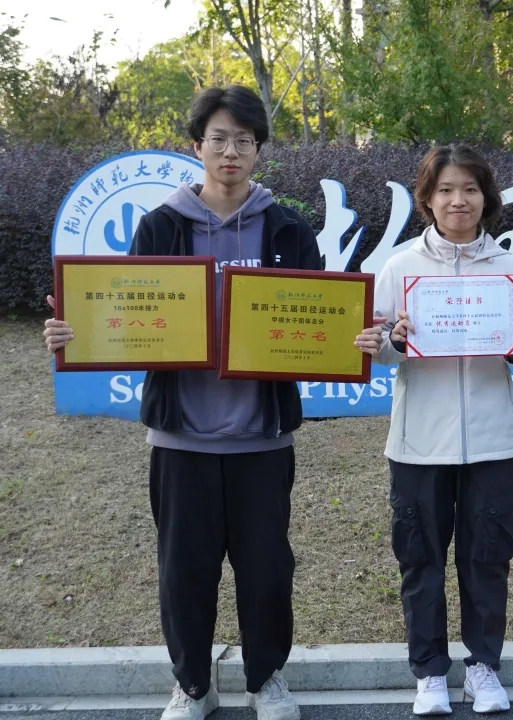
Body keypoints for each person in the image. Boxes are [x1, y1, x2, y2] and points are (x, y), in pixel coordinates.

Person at [43, 85, 321, 720]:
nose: (231, 151)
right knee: (184, 572)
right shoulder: (161, 226)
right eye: (218, 139)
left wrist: (347, 338)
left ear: (259, 149)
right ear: (197, 146)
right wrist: (74, 331)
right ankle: (193, 685)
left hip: (262, 436)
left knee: (267, 572)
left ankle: (267, 681)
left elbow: (317, 316)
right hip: (181, 437)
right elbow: (124, 313)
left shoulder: (286, 227)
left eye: (244, 140)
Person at [353, 144, 513, 716]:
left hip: (492, 439)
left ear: (486, 198)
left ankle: (483, 667)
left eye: (469, 189)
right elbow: (378, 349)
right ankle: (430, 673)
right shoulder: (400, 267)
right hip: (418, 442)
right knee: (421, 559)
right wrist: (390, 340)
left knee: (487, 557)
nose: (458, 200)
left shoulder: (510, 268)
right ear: (427, 199)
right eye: (445, 190)